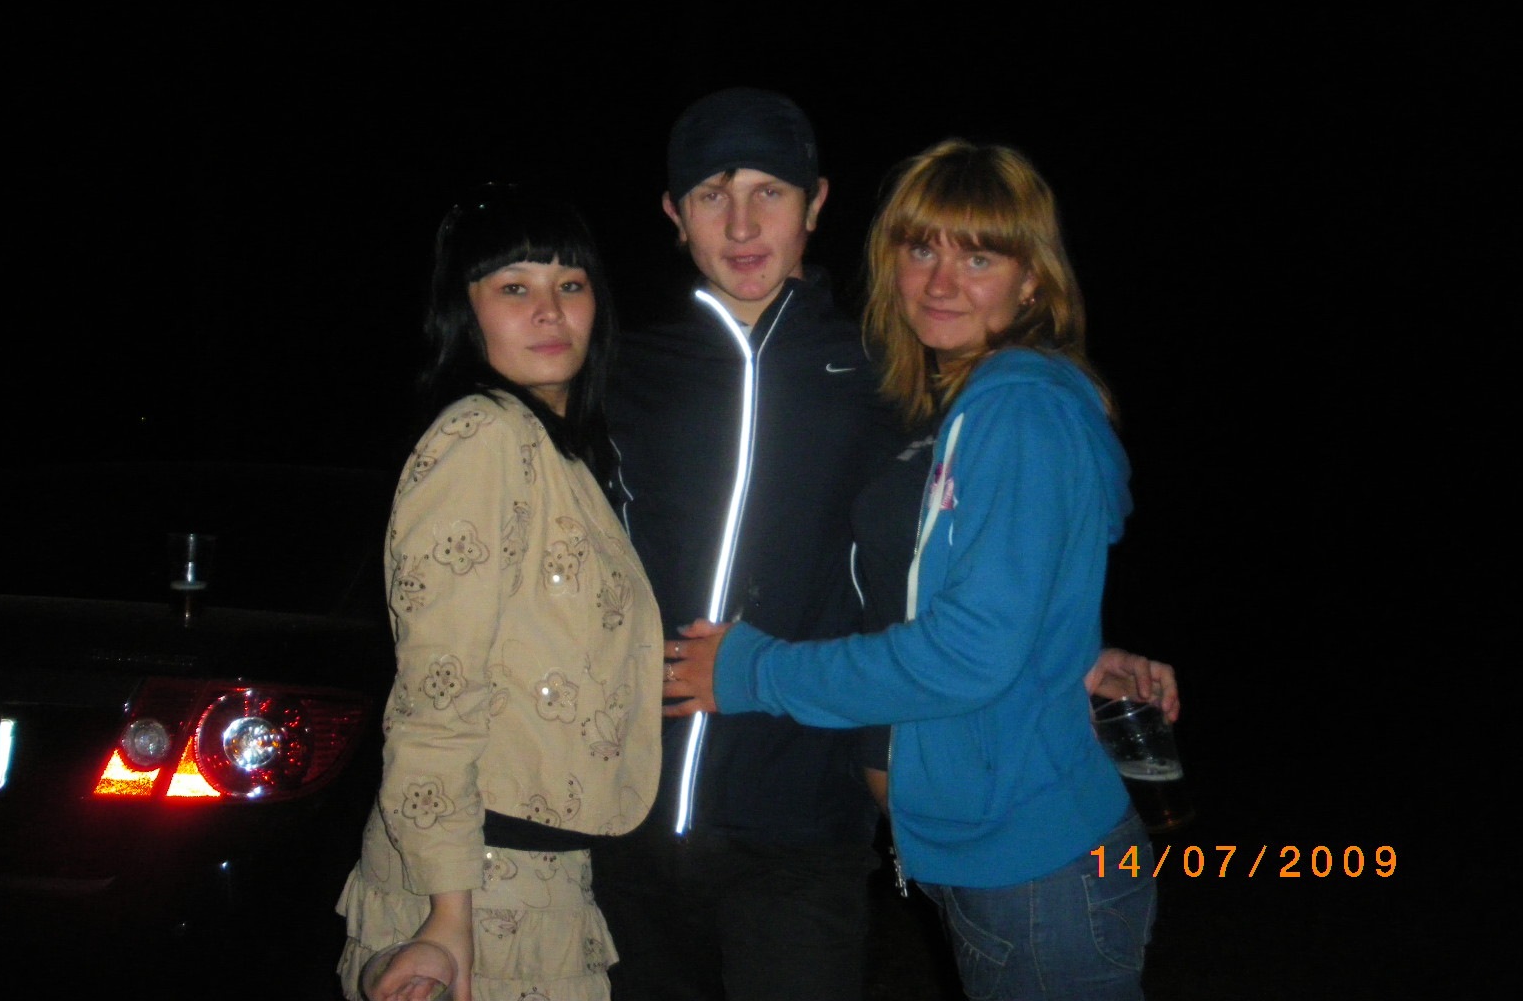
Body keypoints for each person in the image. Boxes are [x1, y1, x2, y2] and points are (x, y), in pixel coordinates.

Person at [597, 89, 1173, 1001]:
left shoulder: (895, 375)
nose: (742, 224)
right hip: (629, 808)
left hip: (807, 819)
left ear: (817, 203)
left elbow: (975, 572)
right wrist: (1072, 654)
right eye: (712, 195)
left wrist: (1058, 646)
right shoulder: (615, 370)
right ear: (674, 213)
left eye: (770, 191)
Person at [336, 186, 665, 1001]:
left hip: (535, 876)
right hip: (478, 886)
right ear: (465, 311)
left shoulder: (557, 451)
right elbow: (436, 691)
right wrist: (449, 915)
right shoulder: (481, 437)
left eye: (570, 284)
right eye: (515, 287)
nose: (550, 311)